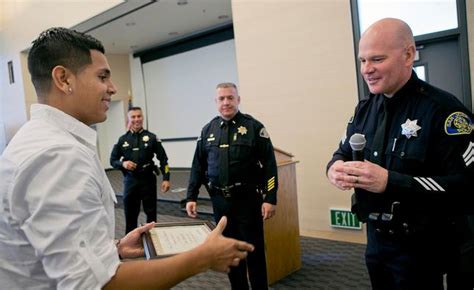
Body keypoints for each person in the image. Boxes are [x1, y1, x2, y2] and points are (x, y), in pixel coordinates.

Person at [0, 27, 254, 290]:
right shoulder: (57, 156)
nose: (113, 88)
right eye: (102, 76)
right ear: (64, 79)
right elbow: (95, 286)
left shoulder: (39, 140)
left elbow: (54, 245)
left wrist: (116, 248)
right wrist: (201, 259)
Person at [326, 18, 473, 289]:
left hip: (423, 245)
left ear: (408, 55)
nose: (367, 70)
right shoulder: (364, 110)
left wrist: (390, 181)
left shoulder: (444, 111)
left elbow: (467, 185)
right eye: (362, 61)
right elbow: (342, 152)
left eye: (377, 59)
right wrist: (334, 168)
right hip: (376, 241)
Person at [186, 82, 278, 290]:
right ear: (216, 102)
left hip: (248, 201)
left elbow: (270, 166)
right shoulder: (207, 130)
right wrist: (191, 196)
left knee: (253, 253)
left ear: (238, 99)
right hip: (221, 204)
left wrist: (270, 198)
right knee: (230, 254)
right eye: (221, 98)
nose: (226, 102)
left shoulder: (254, 128)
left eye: (230, 98)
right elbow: (197, 166)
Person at [110, 106, 171, 234]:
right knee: (130, 215)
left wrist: (166, 178)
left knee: (151, 214)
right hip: (130, 181)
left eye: (139, 116)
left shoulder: (152, 138)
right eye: (133, 117)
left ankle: (153, 240)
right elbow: (112, 160)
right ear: (128, 119)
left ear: (142, 118)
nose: (136, 119)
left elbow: (163, 159)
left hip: (147, 179)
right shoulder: (123, 140)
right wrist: (123, 163)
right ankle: (130, 243)